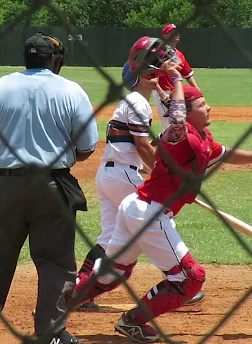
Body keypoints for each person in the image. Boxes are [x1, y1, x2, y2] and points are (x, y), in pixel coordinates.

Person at [70, 61, 252, 343]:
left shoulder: (203, 139)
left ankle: (53, 308)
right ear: (187, 112)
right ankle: (133, 320)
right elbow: (176, 118)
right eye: (203, 105)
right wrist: (177, 80)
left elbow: (228, 154)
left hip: (136, 207)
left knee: (112, 274)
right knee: (190, 278)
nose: (209, 109)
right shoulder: (176, 136)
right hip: (149, 212)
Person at [0, 32, 99, 344]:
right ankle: (50, 334)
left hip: (7, 185)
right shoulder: (72, 91)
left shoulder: (2, 85)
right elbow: (88, 146)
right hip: (53, 185)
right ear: (53, 60)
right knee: (55, 261)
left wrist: (14, 132)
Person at [74, 37, 205, 312]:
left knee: (110, 238)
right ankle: (181, 280)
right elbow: (143, 146)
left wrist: (156, 167)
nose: (159, 72)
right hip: (122, 175)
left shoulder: (135, 101)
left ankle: (77, 291)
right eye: (155, 68)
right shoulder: (138, 102)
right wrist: (162, 174)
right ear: (145, 75)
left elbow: (144, 147)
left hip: (110, 175)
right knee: (157, 222)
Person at [151, 23, 199, 129]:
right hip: (163, 92)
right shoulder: (159, 53)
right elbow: (152, 76)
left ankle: (160, 143)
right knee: (169, 126)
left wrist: (198, 92)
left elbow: (188, 75)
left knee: (179, 124)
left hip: (177, 93)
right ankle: (160, 144)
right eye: (172, 32)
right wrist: (162, 94)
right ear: (165, 36)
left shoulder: (180, 55)